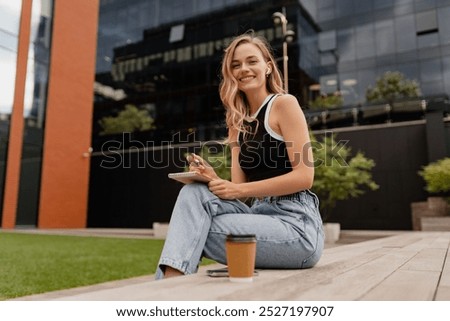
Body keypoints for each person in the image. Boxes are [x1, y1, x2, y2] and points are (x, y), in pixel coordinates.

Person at [155, 31, 324, 279]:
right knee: (193, 192)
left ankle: (166, 289)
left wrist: (237, 191)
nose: (243, 69)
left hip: (296, 227)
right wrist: (212, 177)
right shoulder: (236, 124)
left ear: (267, 67)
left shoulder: (284, 104)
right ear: (230, 73)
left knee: (191, 229)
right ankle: (170, 284)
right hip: (257, 215)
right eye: (236, 65)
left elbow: (304, 177)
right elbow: (239, 188)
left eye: (251, 61)